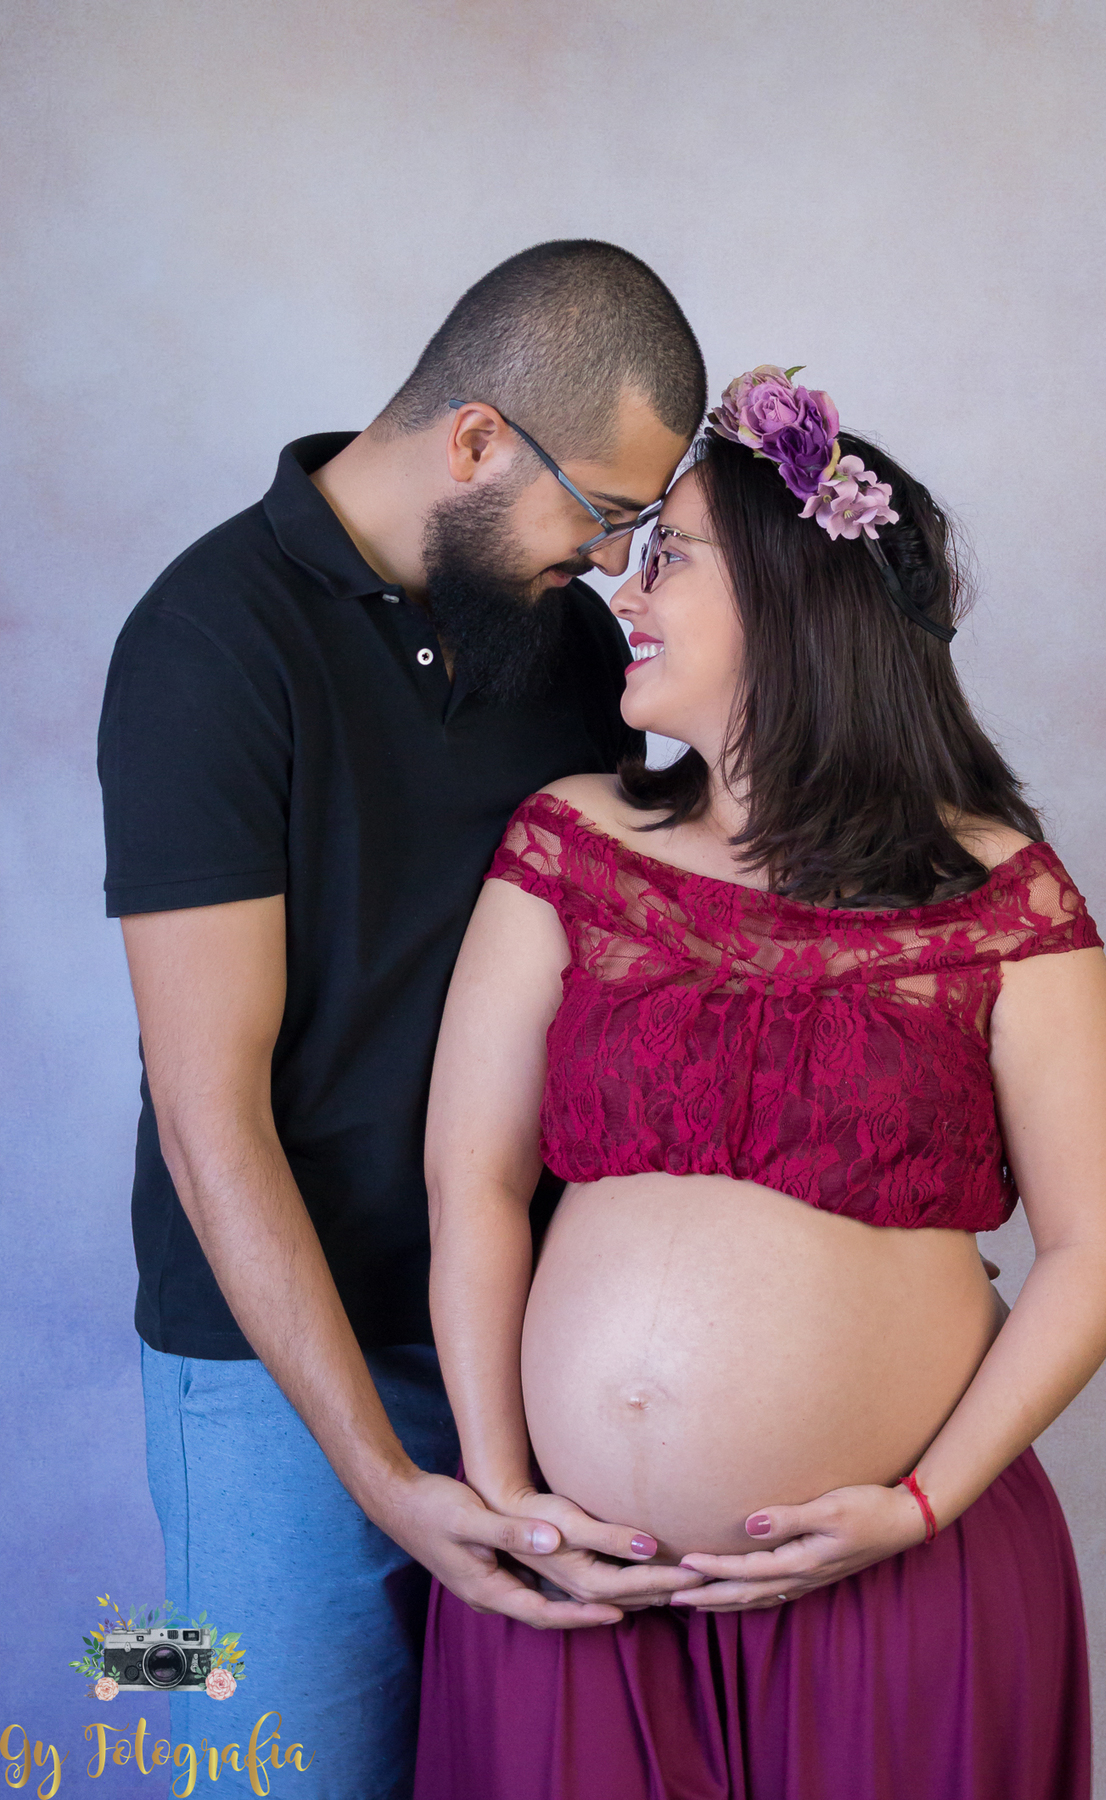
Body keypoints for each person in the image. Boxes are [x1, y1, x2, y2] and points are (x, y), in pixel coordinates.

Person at [414, 367, 1106, 1800]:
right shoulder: (569, 842)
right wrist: (510, 1493)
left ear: (798, 595)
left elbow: (1096, 1244)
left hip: (887, 1588)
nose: (621, 587)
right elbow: (474, 1181)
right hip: (575, 1591)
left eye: (668, 554)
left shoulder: (1001, 896)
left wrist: (920, 1508)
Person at [97, 240, 708, 1799]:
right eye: (603, 511)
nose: (609, 560)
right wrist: (375, 1467)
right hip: (280, 1367)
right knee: (270, 1765)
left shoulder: (562, 642)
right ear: (480, 439)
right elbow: (204, 1103)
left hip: (527, 1335)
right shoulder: (209, 639)